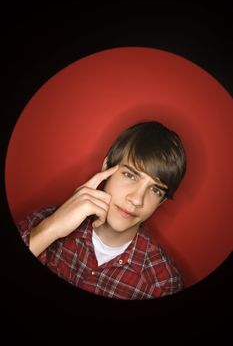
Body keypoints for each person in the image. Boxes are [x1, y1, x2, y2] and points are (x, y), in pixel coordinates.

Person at [17, 120, 187, 300]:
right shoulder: (42, 220)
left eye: (155, 190)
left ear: (160, 202)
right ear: (106, 167)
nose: (137, 200)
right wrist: (49, 230)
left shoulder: (165, 284)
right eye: (130, 175)